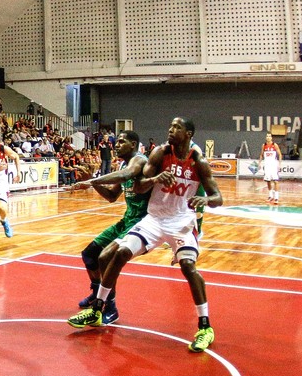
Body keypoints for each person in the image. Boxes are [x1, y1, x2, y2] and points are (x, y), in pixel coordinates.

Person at [67, 117, 224, 353]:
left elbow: (218, 198)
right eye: (169, 126)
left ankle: (205, 327)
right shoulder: (160, 153)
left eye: (177, 128)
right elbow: (138, 186)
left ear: (189, 133)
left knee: (188, 267)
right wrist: (155, 179)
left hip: (181, 222)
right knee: (119, 253)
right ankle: (98, 308)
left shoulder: (198, 161)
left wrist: (206, 199)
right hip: (155, 219)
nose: (170, 130)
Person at [71, 130, 150, 325]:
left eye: (121, 141)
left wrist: (93, 180)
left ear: (133, 144)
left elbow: (127, 175)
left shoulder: (139, 161)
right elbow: (111, 196)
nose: (116, 144)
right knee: (89, 254)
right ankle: (97, 293)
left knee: (106, 258)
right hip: (126, 220)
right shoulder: (124, 163)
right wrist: (92, 182)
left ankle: (110, 306)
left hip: (142, 222)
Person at [258, 133, 282, 204]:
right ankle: (270, 196)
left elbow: (280, 154)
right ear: (266, 137)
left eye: (269, 136)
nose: (268, 137)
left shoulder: (274, 145)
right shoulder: (264, 145)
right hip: (267, 165)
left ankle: (276, 197)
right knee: (268, 181)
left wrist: (279, 164)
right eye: (267, 136)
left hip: (273, 165)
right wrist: (259, 163)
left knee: (276, 181)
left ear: (271, 138)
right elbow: (261, 155)